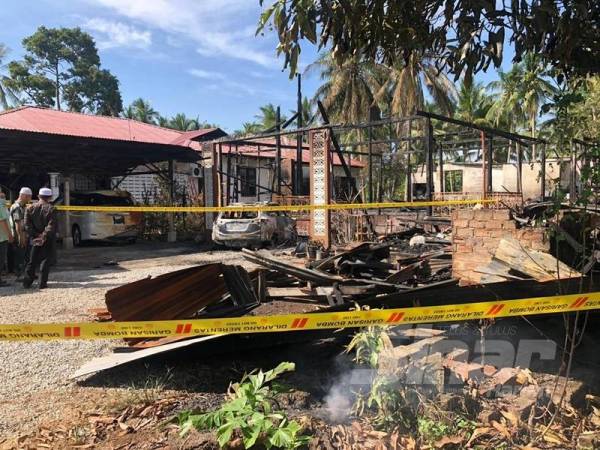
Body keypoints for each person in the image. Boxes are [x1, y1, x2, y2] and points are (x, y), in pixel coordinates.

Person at [23, 187, 56, 289]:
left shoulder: (29, 208)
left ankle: (27, 283)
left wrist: (36, 235)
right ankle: (42, 283)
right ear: (50, 197)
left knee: (32, 260)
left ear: (38, 196)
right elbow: (51, 225)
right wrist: (44, 235)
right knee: (45, 260)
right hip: (47, 238)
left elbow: (27, 225)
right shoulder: (51, 208)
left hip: (34, 238)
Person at [9, 187, 32, 278]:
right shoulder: (17, 207)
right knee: (20, 257)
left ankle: (26, 274)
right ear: (22, 196)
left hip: (23, 234)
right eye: (28, 197)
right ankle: (19, 275)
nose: (29, 199)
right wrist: (21, 238)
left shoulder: (22, 207)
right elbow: (18, 223)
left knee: (25, 256)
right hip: (19, 235)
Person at [0, 191, 14, 286]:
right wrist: (9, 235)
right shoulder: (1, 206)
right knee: (1, 259)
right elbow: (2, 221)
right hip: (2, 237)